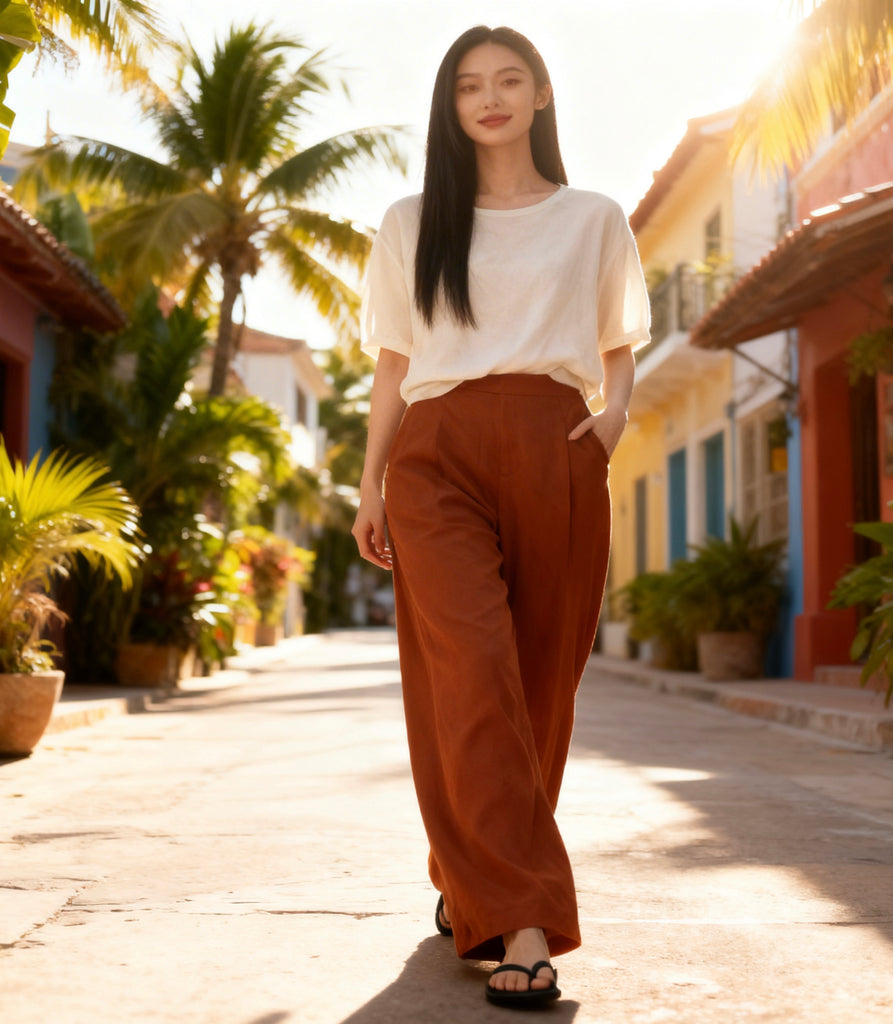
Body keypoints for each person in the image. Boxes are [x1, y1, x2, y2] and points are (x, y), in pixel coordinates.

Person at [352, 24, 650, 1008]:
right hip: (435, 454)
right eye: (469, 85)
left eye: (509, 79)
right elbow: (394, 364)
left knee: (539, 689)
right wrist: (369, 484)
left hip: (556, 445)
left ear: (541, 94)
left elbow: (619, 340)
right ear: (450, 106)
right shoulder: (411, 222)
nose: (490, 98)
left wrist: (612, 417)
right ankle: (524, 923)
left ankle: (469, 875)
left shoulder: (593, 217)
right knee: (472, 674)